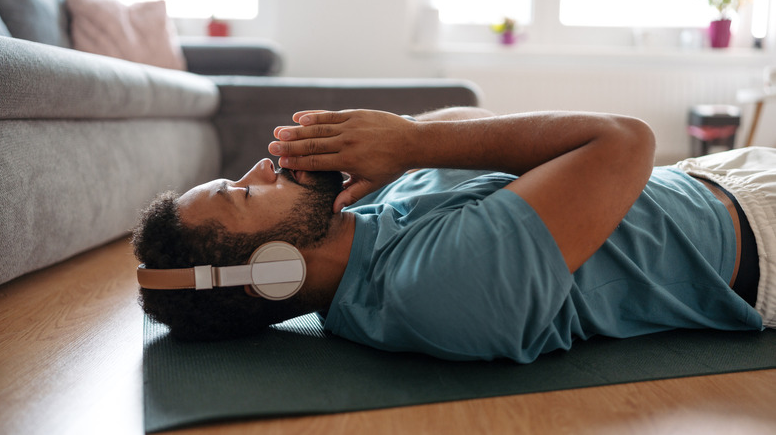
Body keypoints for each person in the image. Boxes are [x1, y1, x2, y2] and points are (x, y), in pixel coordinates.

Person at [133, 107, 773, 363]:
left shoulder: (364, 223)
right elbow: (625, 139)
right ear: (270, 271)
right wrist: (413, 143)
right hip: (757, 235)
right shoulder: (432, 289)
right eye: (242, 194)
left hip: (710, 177)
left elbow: (474, 129)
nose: (260, 168)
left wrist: (397, 145)